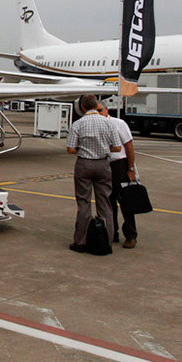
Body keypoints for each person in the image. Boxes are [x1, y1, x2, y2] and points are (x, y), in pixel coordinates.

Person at [66, 95, 122, 253]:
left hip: (84, 163)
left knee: (83, 203)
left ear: (83, 107)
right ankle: (107, 241)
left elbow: (70, 149)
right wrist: (103, 148)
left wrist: (83, 148)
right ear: (97, 106)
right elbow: (117, 147)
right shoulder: (108, 123)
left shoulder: (78, 124)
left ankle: (80, 241)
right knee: (104, 203)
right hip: (103, 163)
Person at [99, 104, 138, 249]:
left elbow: (129, 147)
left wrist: (131, 168)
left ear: (106, 110)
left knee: (125, 200)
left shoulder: (119, 124)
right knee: (109, 201)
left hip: (119, 164)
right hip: (104, 164)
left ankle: (131, 235)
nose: (98, 113)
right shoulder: (97, 125)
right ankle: (112, 232)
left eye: (100, 110)